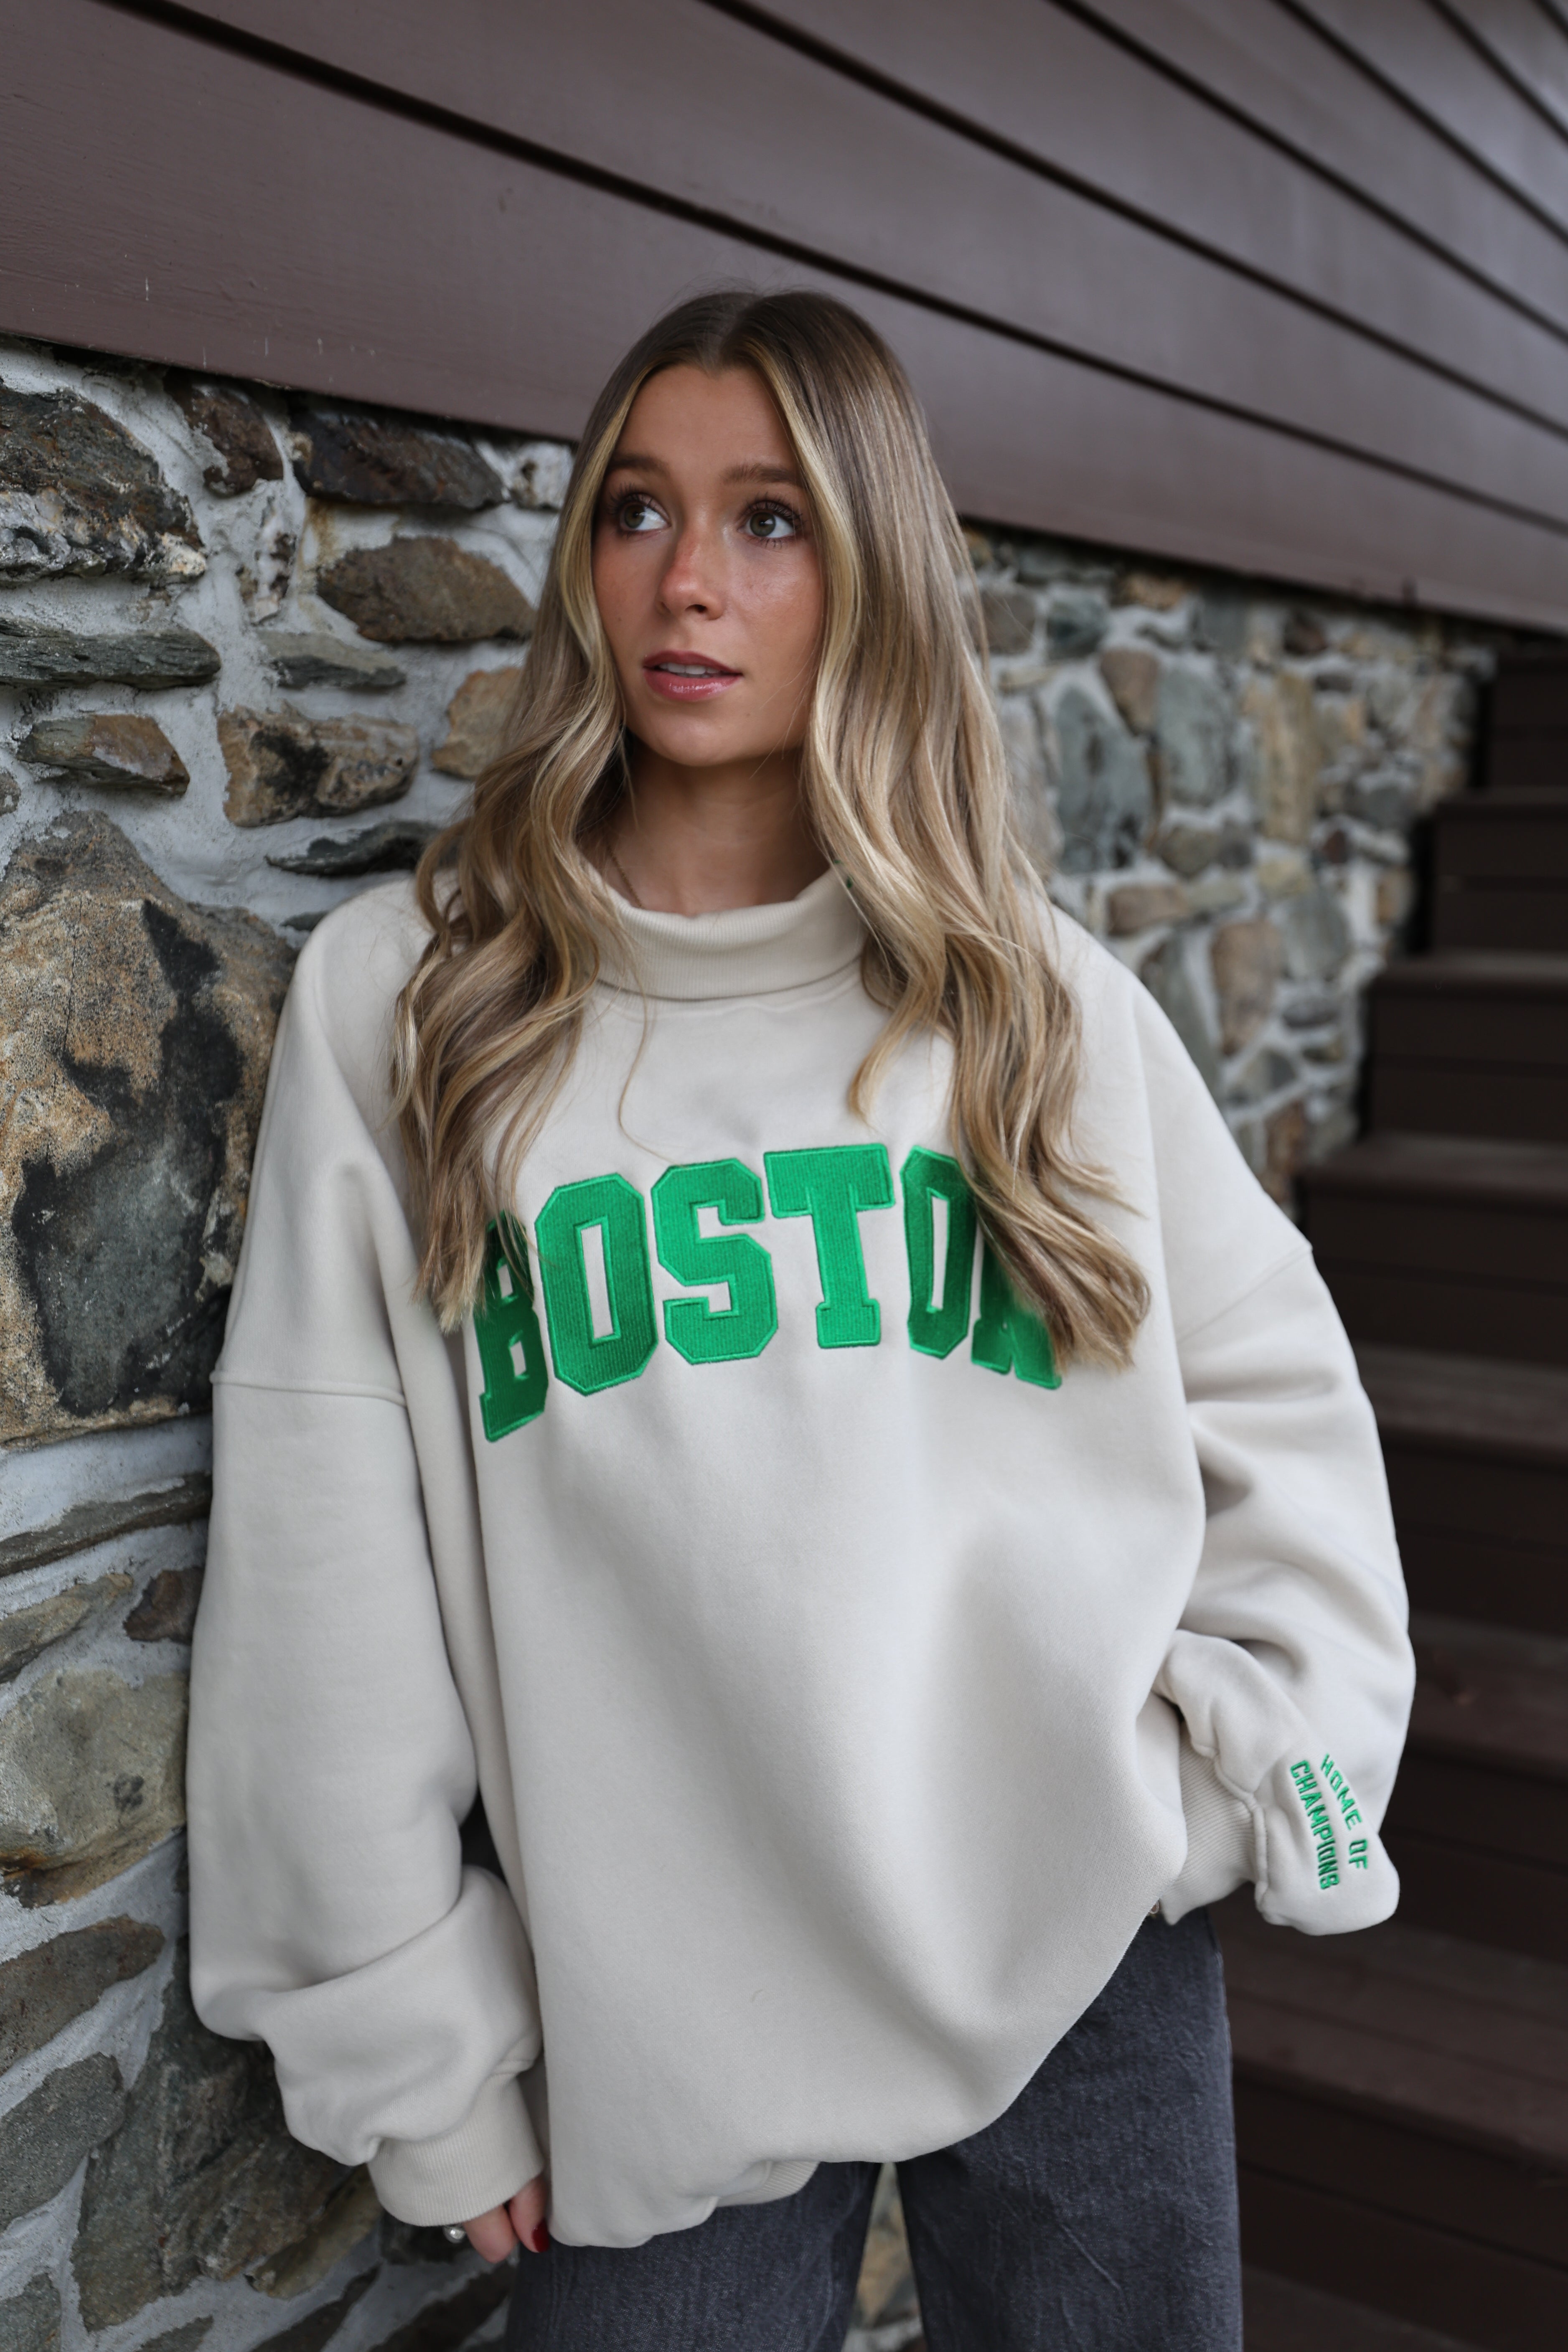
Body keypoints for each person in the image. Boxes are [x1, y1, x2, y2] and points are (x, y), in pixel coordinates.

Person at [187, 288, 1413, 2351]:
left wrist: (1262, 1769)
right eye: (637, 510)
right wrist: (413, 2049)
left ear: (875, 570)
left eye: (770, 520)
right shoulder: (421, 999)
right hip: (656, 2003)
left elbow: (1282, 1398)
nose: (689, 581)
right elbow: (325, 1564)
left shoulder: (1023, 994)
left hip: (1082, 1942)